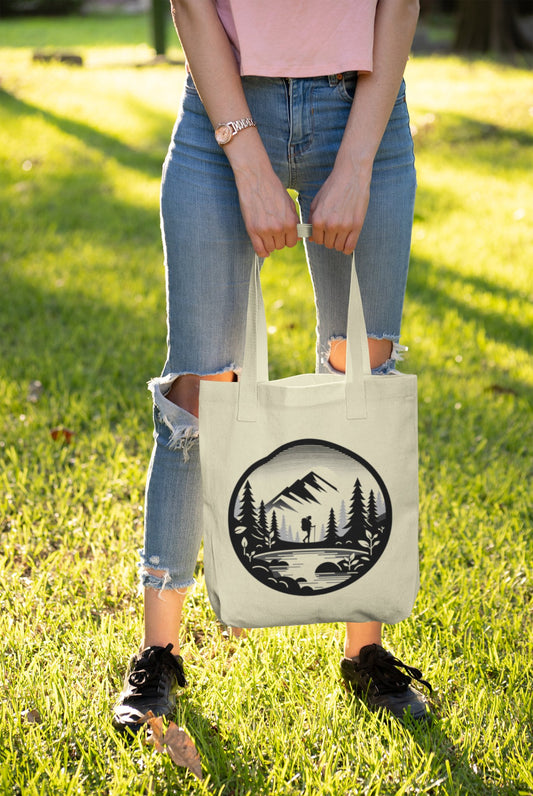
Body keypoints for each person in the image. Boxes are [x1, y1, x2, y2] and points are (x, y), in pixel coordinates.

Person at [112, 0, 432, 734]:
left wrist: (355, 164)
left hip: (364, 112)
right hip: (220, 111)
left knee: (364, 376)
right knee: (195, 394)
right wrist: (246, 160)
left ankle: (365, 653)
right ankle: (158, 654)